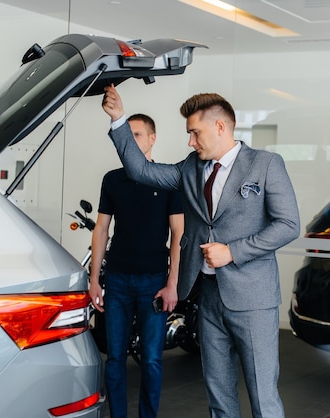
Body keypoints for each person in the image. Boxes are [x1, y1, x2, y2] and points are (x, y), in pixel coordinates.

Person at [101, 85, 300, 418]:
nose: (190, 141)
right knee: (218, 396)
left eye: (195, 132)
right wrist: (119, 120)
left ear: (220, 127)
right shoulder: (190, 168)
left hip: (253, 299)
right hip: (207, 298)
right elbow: (141, 171)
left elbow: (288, 225)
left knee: (262, 396)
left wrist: (233, 252)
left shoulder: (266, 164)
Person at [88, 113, 184, 418]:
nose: (130, 141)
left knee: (153, 360)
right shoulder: (112, 179)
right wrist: (94, 281)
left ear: (153, 138)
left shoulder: (169, 179)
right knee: (114, 359)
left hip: (154, 282)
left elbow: (179, 234)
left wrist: (172, 284)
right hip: (116, 281)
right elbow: (101, 230)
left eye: (138, 135)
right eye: (127, 136)